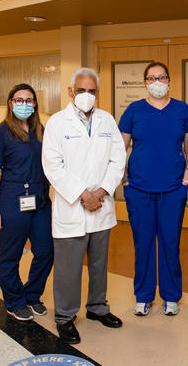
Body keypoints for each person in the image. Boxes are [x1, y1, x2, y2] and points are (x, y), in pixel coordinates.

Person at [41, 67, 126, 345]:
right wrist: (83, 194)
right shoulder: (57, 122)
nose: (86, 96)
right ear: (70, 92)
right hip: (72, 207)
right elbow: (52, 166)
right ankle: (65, 317)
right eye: (81, 91)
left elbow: (117, 159)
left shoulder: (107, 120)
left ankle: (97, 308)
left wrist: (100, 191)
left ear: (97, 93)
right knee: (68, 267)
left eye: (91, 91)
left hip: (101, 205)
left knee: (100, 263)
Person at [118, 62, 188, 317]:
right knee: (143, 243)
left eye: (162, 77)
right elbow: (120, 150)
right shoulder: (134, 110)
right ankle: (143, 295)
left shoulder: (182, 110)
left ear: (169, 80)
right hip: (138, 189)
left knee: (170, 243)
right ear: (145, 83)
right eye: (152, 78)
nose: (157, 82)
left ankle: (171, 296)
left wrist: (185, 180)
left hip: (173, 189)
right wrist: (125, 181)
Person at [0, 83, 53, 321]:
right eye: (19, 100)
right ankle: (15, 301)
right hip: (13, 199)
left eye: (29, 100)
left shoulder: (40, 131)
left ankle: (32, 295)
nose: (24, 104)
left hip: (41, 199)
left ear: (35, 104)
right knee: (10, 255)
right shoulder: (1, 132)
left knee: (45, 251)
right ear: (10, 103)